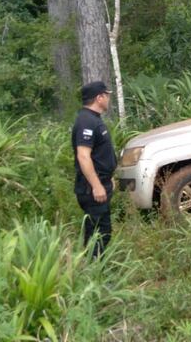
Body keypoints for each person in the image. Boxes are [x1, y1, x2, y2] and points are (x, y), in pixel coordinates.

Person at [72, 81, 117, 257]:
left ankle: (97, 266)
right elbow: (83, 156)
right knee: (97, 233)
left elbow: (98, 155)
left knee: (103, 231)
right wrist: (97, 185)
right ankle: (94, 269)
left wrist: (107, 177)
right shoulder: (86, 121)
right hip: (91, 189)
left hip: (100, 182)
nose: (108, 99)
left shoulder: (93, 119)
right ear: (99, 98)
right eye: (107, 96)